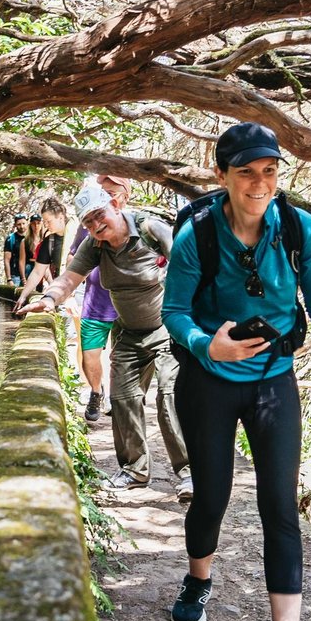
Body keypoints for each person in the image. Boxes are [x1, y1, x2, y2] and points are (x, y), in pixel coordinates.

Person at [161, 121, 311, 621]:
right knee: (212, 496)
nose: (259, 183)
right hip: (207, 380)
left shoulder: (298, 229)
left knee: (279, 505)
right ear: (221, 175)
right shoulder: (197, 233)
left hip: (274, 381)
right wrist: (205, 343)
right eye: (246, 172)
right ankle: (198, 581)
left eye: (269, 171)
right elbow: (173, 310)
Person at [17, 181, 192, 502]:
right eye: (87, 221)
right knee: (123, 399)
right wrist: (50, 299)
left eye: (99, 215)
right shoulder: (94, 245)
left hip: (168, 328)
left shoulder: (150, 228)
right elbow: (70, 278)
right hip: (127, 332)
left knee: (169, 396)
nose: (96, 225)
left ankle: (189, 471)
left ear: (114, 206)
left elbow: (188, 265)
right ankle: (134, 469)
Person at [71, 175, 129, 423]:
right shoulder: (88, 223)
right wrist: (68, 294)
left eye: (113, 191)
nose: (108, 194)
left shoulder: (141, 224)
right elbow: (73, 261)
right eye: (104, 190)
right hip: (95, 301)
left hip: (126, 305)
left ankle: (121, 397)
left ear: (124, 196)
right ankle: (96, 392)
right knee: (90, 353)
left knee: (122, 356)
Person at [14, 198, 68, 310]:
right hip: (62, 293)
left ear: (61, 218)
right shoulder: (49, 242)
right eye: (44, 222)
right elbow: (38, 272)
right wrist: (23, 296)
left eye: (49, 221)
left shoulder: (78, 235)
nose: (46, 225)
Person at [3, 214, 29, 286]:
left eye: (23, 223)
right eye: (19, 224)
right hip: (15, 276)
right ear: (15, 225)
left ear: (27, 223)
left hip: (29, 274)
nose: (22, 226)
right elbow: (6, 260)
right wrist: (9, 279)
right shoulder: (11, 239)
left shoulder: (31, 238)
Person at [20, 215, 44, 288]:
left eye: (38, 223)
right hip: (29, 268)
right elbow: (22, 261)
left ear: (41, 224)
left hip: (42, 268)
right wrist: (23, 278)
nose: (36, 226)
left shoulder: (45, 240)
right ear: (30, 225)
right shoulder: (25, 241)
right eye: (33, 223)